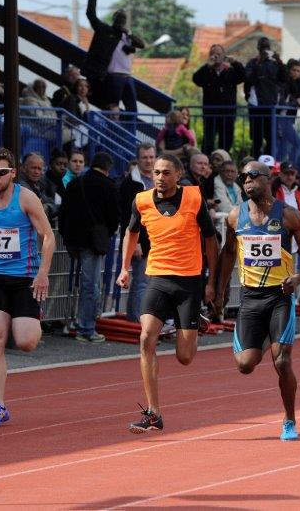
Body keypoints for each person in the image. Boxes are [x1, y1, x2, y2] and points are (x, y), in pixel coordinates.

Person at [214, 161, 300, 440]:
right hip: (250, 298)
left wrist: (298, 277)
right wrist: (219, 290)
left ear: (268, 179)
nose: (247, 180)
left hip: (279, 297)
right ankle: (263, 339)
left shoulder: (287, 215)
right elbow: (227, 253)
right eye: (243, 177)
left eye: (252, 176)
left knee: (282, 362)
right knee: (245, 365)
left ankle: (289, 420)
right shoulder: (235, 217)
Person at [116, 154, 219, 433]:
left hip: (189, 282)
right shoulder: (142, 200)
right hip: (158, 277)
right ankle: (153, 413)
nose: (159, 177)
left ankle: (194, 319)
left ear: (178, 174)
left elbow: (210, 239)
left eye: (165, 172)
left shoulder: (194, 199)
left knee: (184, 357)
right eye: (156, 172)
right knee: (146, 337)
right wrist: (125, 268)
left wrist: (212, 280)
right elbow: (131, 232)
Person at [0, 147, 56, 426]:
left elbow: (48, 236)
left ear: (12, 173)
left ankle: (31, 318)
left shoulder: (26, 198)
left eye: (1, 172)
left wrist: (43, 273)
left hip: (25, 279)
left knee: (27, 342)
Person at [58, 152, 120, 342]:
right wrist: (106, 234)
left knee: (78, 284)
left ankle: (75, 322)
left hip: (74, 240)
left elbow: (63, 213)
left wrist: (66, 236)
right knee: (90, 286)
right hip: (93, 242)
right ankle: (86, 328)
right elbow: (114, 217)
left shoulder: (75, 183)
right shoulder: (108, 186)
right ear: (108, 168)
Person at [83, 0, 144, 113]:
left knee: (132, 110)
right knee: (112, 108)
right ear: (114, 19)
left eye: (123, 18)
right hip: (113, 76)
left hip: (127, 76)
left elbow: (141, 45)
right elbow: (91, 15)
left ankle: (129, 132)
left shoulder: (127, 35)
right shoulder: (104, 30)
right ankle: (113, 131)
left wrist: (128, 33)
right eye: (119, 17)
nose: (121, 20)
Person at [118, 143, 156, 323]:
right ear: (138, 159)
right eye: (145, 157)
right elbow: (127, 216)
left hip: (157, 239)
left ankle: (144, 319)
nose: (149, 161)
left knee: (149, 283)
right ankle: (136, 320)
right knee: (141, 282)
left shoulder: (159, 180)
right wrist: (136, 242)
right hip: (140, 240)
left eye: (151, 157)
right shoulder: (130, 183)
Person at [193, 44, 245, 154]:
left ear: (223, 56)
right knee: (208, 143)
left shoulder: (230, 71)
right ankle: (206, 165)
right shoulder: (206, 71)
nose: (215, 56)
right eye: (213, 54)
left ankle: (224, 167)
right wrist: (207, 66)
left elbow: (244, 76)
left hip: (228, 114)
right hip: (210, 114)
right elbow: (196, 79)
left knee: (226, 143)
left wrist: (235, 63)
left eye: (218, 54)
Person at [244, 37, 287, 157]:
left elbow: (284, 78)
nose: (265, 50)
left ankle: (268, 169)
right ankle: (254, 166)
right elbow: (248, 79)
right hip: (256, 106)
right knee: (257, 140)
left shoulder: (275, 63)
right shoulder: (252, 63)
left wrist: (279, 61)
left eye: (267, 47)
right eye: (263, 47)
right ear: (258, 48)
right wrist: (259, 63)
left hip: (272, 107)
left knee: (271, 139)